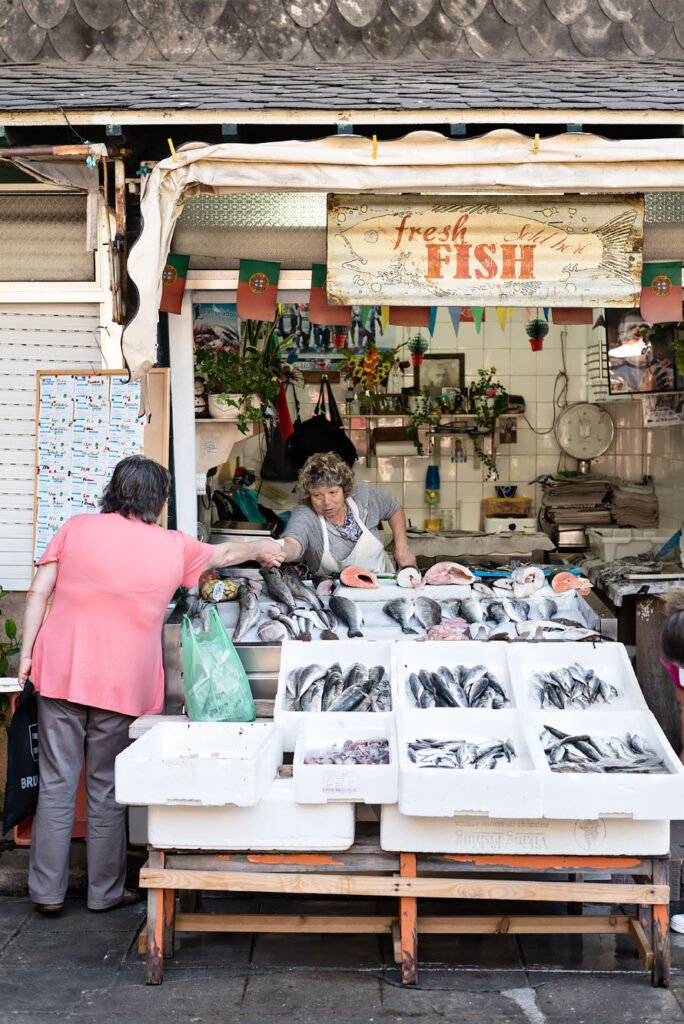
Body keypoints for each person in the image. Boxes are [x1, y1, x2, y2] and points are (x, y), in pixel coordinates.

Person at [17, 455, 284, 915]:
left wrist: (25, 656)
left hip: (60, 671)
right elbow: (222, 554)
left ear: (113, 492)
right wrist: (263, 547)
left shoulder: (77, 528)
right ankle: (103, 892)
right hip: (121, 683)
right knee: (104, 787)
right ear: (159, 502)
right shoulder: (173, 545)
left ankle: (46, 893)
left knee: (56, 784)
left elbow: (40, 590)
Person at [281, 451, 417, 575]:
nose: (327, 502)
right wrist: (279, 551)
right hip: (332, 594)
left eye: (333, 492)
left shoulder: (363, 495)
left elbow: (394, 507)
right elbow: (293, 542)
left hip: (382, 585)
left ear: (344, 489)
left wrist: (402, 547)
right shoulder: (305, 513)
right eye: (317, 495)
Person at [608, 309, 674, 393]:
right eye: (631, 327)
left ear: (653, 334)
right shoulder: (612, 372)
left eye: (645, 327)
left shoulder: (665, 370)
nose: (638, 331)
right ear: (621, 336)